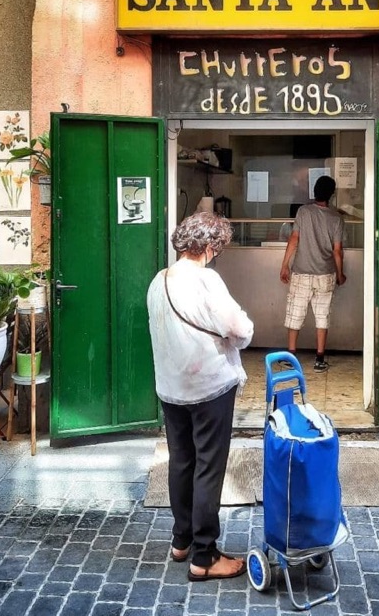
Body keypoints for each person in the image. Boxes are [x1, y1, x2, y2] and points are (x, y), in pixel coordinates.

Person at [147, 211, 254, 582]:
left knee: (181, 461)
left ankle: (182, 540)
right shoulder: (206, 279)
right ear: (209, 246)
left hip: (171, 387)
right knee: (209, 465)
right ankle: (204, 556)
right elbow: (239, 328)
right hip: (209, 387)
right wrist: (243, 332)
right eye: (217, 248)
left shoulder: (159, 280)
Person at [279, 175, 346, 372]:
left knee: (295, 314)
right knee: (322, 316)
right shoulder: (336, 218)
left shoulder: (303, 211)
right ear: (331, 194)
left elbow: (294, 239)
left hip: (301, 272)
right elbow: (337, 251)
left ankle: (291, 357)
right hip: (326, 274)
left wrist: (285, 265)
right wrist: (340, 274)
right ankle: (319, 359)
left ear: (314, 191)